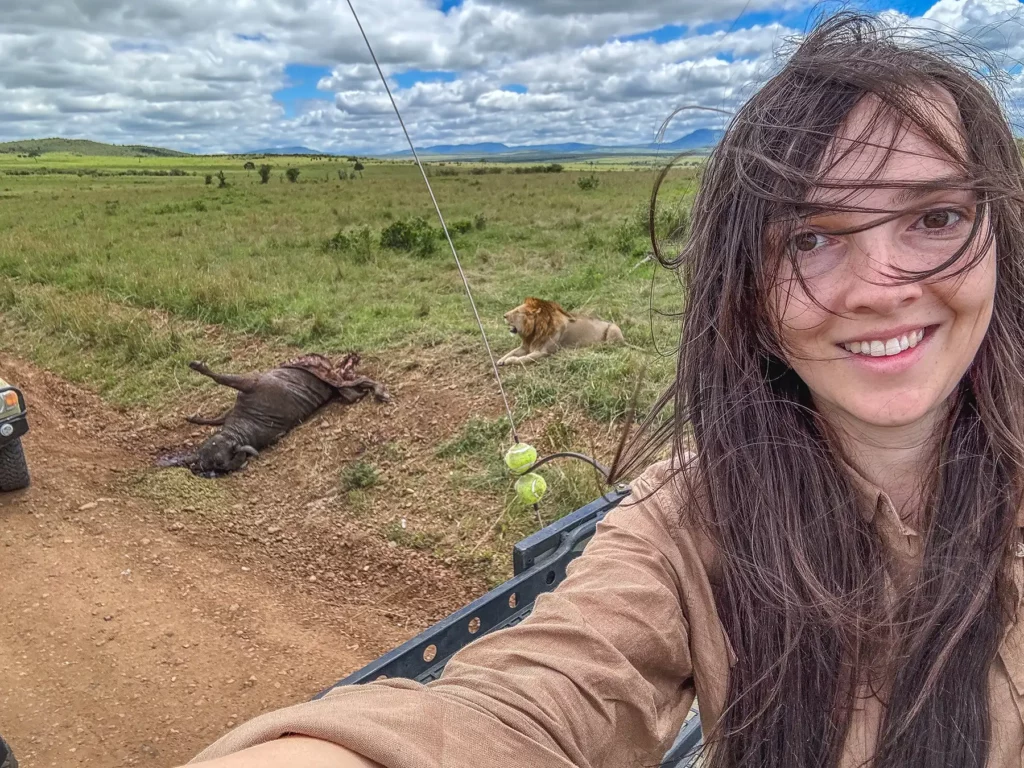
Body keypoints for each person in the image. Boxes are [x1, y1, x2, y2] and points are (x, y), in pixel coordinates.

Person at [179, 11, 1024, 768]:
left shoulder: (558, 332)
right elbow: (530, 702)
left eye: (936, 218)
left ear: (999, 237)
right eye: (809, 236)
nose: (880, 285)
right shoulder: (685, 523)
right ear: (749, 291)